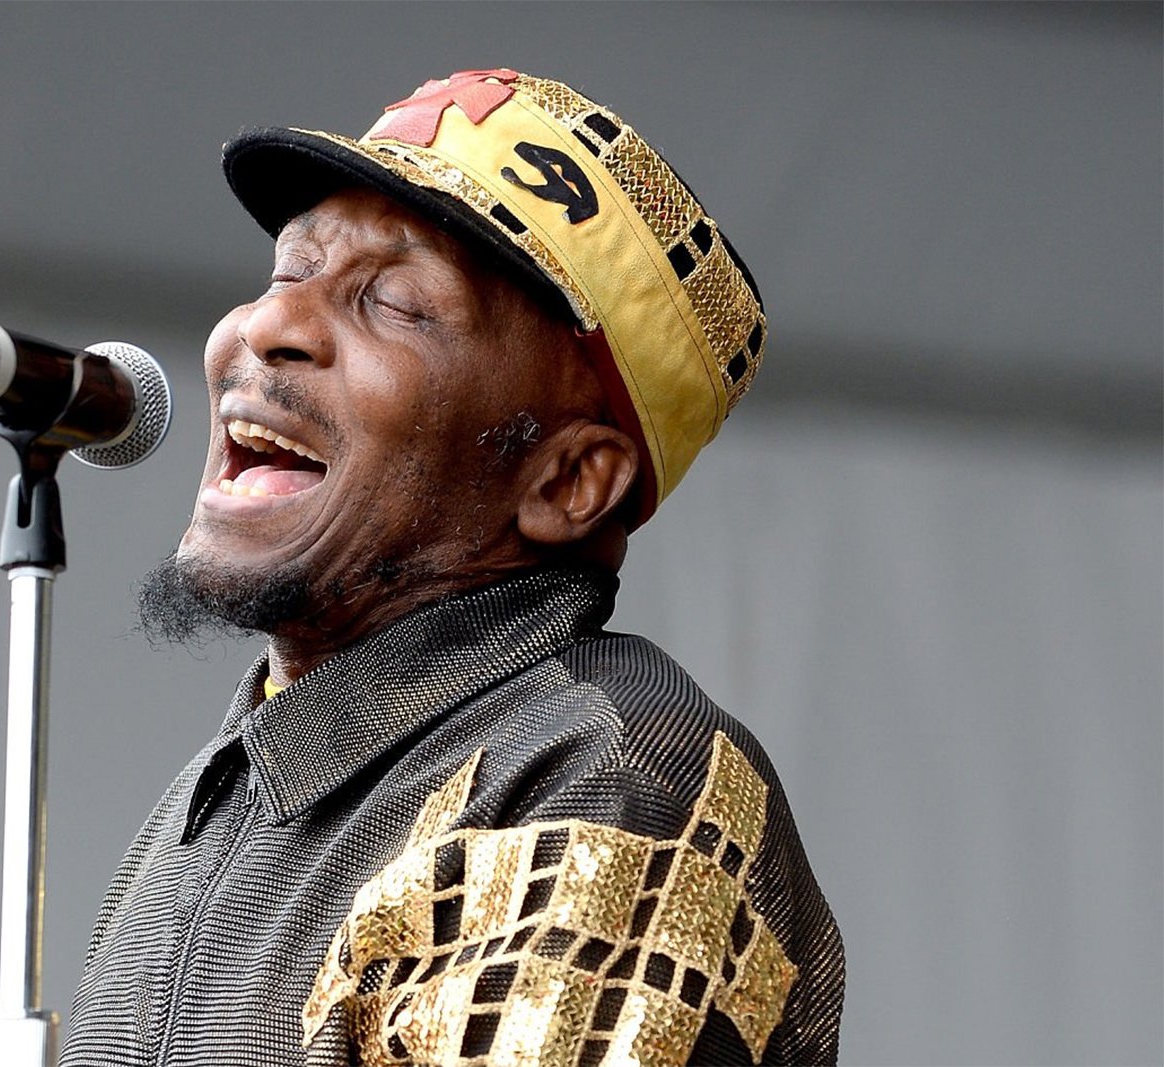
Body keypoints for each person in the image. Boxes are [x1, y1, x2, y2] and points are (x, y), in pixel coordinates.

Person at [60, 69, 844, 1066]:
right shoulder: (230, 781)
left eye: (393, 301)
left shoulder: (603, 771)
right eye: (288, 271)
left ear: (567, 481)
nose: (266, 326)